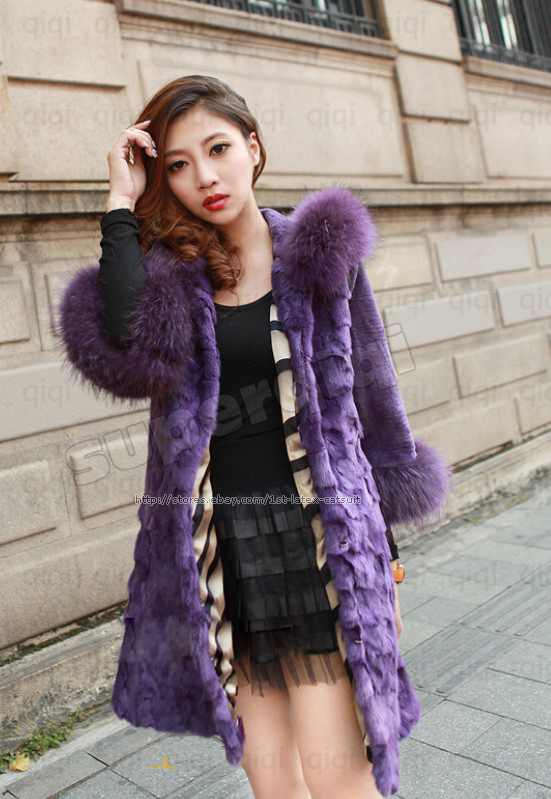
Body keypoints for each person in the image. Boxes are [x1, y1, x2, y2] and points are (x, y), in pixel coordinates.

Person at [57, 74, 450, 799]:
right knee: (275, 788)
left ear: (253, 148)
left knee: (341, 784)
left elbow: (373, 409)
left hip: (321, 553)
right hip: (224, 561)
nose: (205, 177)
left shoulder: (319, 255)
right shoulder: (176, 282)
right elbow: (124, 349)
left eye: (218, 149)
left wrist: (386, 561)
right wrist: (118, 202)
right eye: (179, 164)